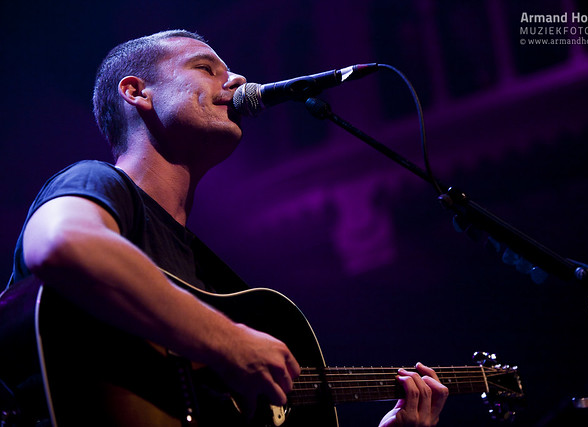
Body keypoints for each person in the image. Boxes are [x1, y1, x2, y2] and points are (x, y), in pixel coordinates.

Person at [5, 30, 448, 426]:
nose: (235, 81)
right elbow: (62, 244)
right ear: (137, 92)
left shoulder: (204, 277)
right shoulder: (98, 182)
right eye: (206, 68)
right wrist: (227, 341)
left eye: (231, 71)